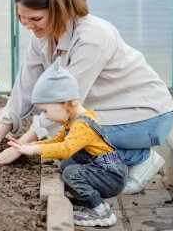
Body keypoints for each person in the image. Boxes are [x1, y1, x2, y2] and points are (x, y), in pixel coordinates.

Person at [0, 0, 173, 195]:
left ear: (57, 9)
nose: (28, 25)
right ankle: (126, 156)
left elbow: (64, 105)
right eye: (22, 19)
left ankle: (140, 157)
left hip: (148, 115)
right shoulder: (41, 37)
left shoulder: (92, 37)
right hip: (112, 113)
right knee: (66, 150)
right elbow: (22, 91)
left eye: (35, 18)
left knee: (73, 145)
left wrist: (21, 148)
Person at [7, 58, 127, 227]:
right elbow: (57, 140)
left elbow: (65, 148)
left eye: (46, 111)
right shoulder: (72, 121)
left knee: (71, 172)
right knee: (67, 166)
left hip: (111, 176)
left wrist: (35, 151)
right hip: (101, 171)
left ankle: (101, 212)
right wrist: (33, 145)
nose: (46, 116)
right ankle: (88, 202)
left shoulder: (83, 124)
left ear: (65, 102)